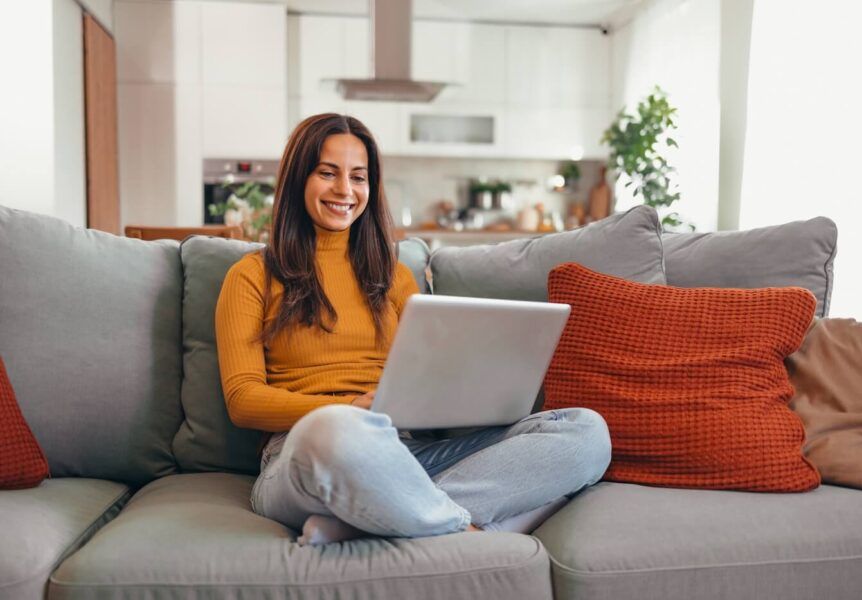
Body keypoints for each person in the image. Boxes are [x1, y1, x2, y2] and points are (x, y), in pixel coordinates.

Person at [215, 113, 612, 544]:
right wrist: (351, 407)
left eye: (358, 177)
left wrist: (465, 395)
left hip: (404, 454)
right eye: (327, 173)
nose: (345, 190)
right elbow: (242, 400)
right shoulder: (252, 275)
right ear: (297, 179)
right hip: (308, 453)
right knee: (335, 428)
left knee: (585, 431)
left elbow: (428, 378)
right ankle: (461, 526)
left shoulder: (394, 278)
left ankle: (374, 519)